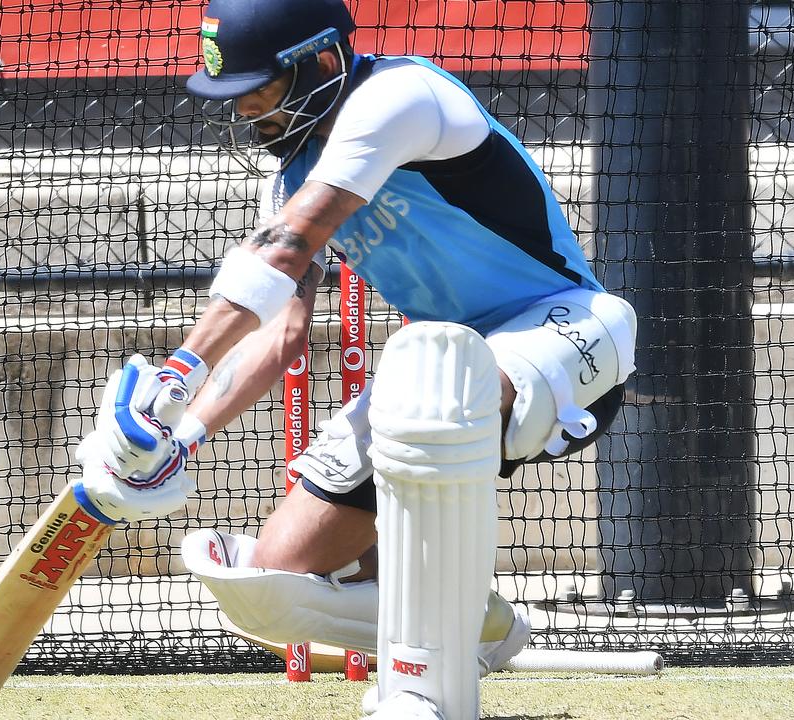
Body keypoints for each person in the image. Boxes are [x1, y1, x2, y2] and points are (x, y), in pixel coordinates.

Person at [74, 0, 637, 717]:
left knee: (431, 387)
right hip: (439, 378)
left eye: (262, 88)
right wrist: (181, 439)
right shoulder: (289, 178)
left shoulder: (399, 97)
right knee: (269, 590)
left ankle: (415, 687)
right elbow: (277, 336)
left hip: (568, 336)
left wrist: (173, 376)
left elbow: (290, 244)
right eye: (235, 94)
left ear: (324, 61)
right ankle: (477, 623)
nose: (248, 111)